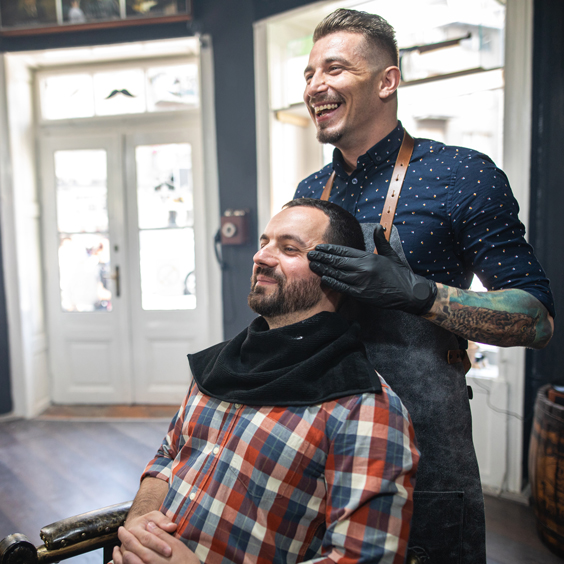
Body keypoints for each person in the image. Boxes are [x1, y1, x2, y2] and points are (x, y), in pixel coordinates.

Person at [295, 8, 555, 564]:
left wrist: (419, 293)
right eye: (309, 74)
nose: (316, 86)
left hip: (426, 441)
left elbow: (536, 318)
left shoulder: (463, 173)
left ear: (387, 81)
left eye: (334, 69)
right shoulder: (312, 191)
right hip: (327, 436)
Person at [112, 199, 419, 564]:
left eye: (289, 248)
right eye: (264, 243)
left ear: (338, 274)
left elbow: (365, 558)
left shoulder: (364, 408)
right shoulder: (217, 367)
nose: (262, 257)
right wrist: (141, 524)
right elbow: (167, 458)